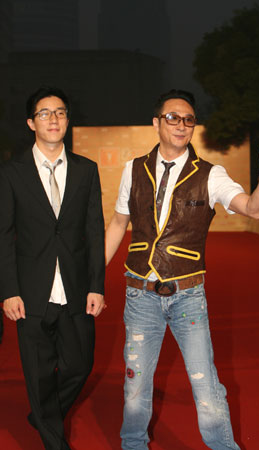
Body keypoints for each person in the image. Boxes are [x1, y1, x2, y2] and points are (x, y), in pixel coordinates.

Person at [105, 89, 259, 450]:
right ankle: (133, 445)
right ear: (156, 123)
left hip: (188, 297)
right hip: (140, 294)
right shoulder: (133, 169)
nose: (182, 125)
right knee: (135, 385)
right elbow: (117, 224)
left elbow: (253, 209)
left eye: (189, 119)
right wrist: (94, 278)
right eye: (173, 117)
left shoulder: (210, 174)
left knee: (206, 386)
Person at [0, 86, 106, 450]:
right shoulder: (12, 173)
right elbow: (4, 235)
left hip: (76, 290)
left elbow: (95, 231)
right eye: (44, 113)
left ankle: (43, 413)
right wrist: (8, 290)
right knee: (39, 375)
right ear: (31, 123)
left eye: (59, 112)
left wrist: (97, 285)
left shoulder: (86, 170)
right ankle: (53, 440)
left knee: (80, 366)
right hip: (29, 293)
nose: (53, 119)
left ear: (67, 119)